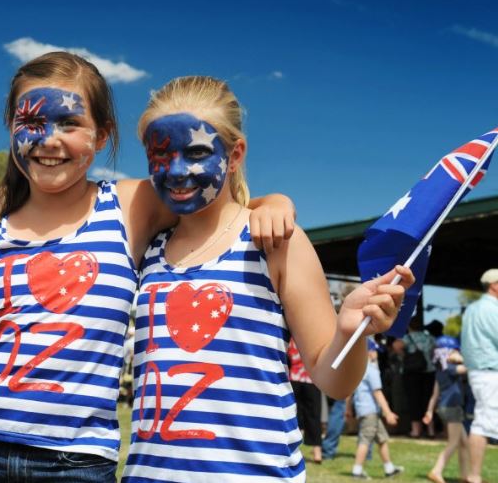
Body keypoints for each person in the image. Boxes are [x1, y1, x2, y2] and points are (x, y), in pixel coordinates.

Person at [0, 53, 296, 482]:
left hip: (77, 462)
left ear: (102, 135)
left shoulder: (130, 206)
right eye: (32, 123)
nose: (49, 139)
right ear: (12, 128)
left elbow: (205, 196)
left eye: (69, 123)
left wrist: (273, 203)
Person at [118, 76, 411, 482]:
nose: (177, 171)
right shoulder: (147, 246)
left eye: (198, 152)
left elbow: (334, 380)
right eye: (160, 156)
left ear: (235, 154)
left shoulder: (276, 241)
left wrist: (350, 332)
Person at [460, 268, 498, 483]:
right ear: (494, 285)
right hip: (491, 370)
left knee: (484, 420)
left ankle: (473, 475)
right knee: (483, 423)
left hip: (479, 370)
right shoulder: (492, 310)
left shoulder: (472, 309)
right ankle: (474, 476)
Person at [350, 339, 404, 479]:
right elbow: (377, 393)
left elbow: (351, 391)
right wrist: (388, 413)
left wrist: (348, 408)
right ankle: (357, 470)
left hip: (363, 409)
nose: (376, 354)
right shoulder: (371, 369)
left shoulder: (357, 368)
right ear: (369, 352)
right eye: (374, 351)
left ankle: (389, 468)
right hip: (370, 411)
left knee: (382, 438)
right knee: (365, 440)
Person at [423, 335, 470, 483]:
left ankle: (465, 476)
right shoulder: (450, 368)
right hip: (452, 408)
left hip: (446, 407)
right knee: (454, 442)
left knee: (464, 443)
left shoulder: (440, 370)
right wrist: (462, 359)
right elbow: (468, 368)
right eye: (456, 350)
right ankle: (436, 471)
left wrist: (429, 411)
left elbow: (434, 395)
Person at [288, 338, 323, 464]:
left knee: (294, 414)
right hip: (309, 378)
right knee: (312, 415)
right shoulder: (312, 335)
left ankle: (298, 449)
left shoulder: (291, 335)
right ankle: (317, 451)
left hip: (297, 377)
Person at [402, 320, 436, 437]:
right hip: (429, 371)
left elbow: (397, 347)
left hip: (412, 373)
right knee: (428, 401)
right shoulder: (430, 338)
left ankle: (416, 431)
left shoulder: (407, 338)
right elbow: (434, 352)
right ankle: (431, 430)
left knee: (414, 401)